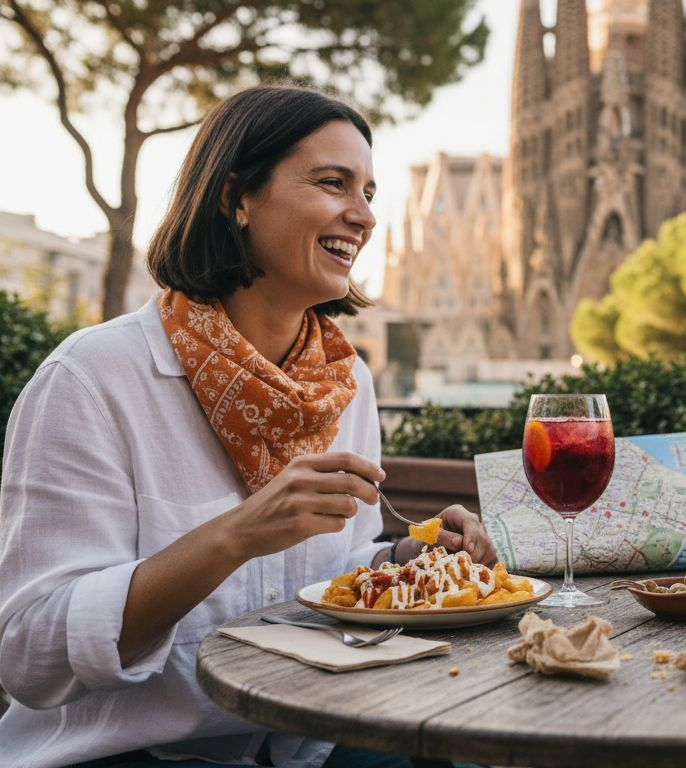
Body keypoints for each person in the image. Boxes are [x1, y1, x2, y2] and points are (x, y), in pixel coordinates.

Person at [0, 84, 497, 768]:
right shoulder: (92, 380)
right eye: (333, 183)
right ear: (237, 196)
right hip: (126, 752)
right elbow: (29, 654)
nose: (362, 217)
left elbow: (330, 575)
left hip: (302, 741)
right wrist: (233, 537)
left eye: (370, 194)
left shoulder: (344, 386)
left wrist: (403, 563)